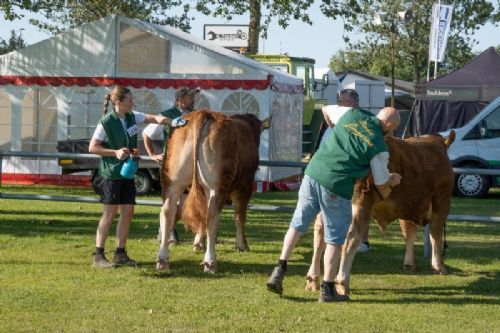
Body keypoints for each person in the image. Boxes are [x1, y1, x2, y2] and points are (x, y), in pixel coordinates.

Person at [266, 89, 402, 302]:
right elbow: (381, 185)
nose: (390, 134)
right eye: (392, 130)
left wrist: (337, 132)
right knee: (335, 238)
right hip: (336, 185)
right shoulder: (380, 146)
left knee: (298, 224)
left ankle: (279, 268)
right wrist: (392, 180)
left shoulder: (352, 114)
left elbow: (326, 109)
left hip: (312, 173)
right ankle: (328, 290)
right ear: (387, 126)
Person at [89, 86, 187, 269]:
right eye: (129, 100)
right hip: (110, 175)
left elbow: (154, 118)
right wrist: (115, 152)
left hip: (127, 173)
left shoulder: (132, 116)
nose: (132, 103)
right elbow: (93, 147)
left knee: (128, 212)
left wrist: (171, 122)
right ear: (118, 102)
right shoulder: (105, 123)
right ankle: (98, 255)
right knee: (109, 214)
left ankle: (120, 253)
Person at [142, 86, 199, 245]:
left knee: (185, 203)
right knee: (171, 201)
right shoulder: (166, 115)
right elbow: (146, 133)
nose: (193, 99)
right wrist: (152, 154)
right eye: (190, 97)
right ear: (180, 100)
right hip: (172, 165)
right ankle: (169, 232)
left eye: (193, 96)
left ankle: (165, 230)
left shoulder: (196, 116)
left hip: (190, 166)